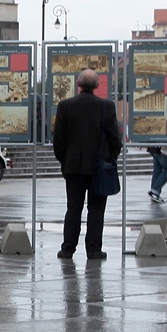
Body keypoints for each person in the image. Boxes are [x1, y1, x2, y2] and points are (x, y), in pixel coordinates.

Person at [52, 69, 122, 260]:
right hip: (99, 167)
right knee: (97, 209)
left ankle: (67, 248)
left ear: (78, 84)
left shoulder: (65, 106)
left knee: (73, 207)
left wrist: (65, 161)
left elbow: (58, 140)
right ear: (97, 86)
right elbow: (116, 139)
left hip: (73, 167)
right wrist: (109, 159)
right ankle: (93, 249)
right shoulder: (107, 106)